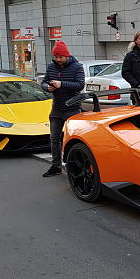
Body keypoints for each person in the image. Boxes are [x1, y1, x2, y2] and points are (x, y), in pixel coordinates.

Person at [41, 40, 85, 177]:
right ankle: (56, 166)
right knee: (54, 138)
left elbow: (80, 85)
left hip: (72, 108)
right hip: (57, 108)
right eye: (56, 57)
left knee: (73, 139)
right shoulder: (51, 67)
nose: (58, 60)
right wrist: (47, 87)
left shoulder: (77, 67)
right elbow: (44, 82)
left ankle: (76, 166)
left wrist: (62, 84)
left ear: (67, 56)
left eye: (60, 57)